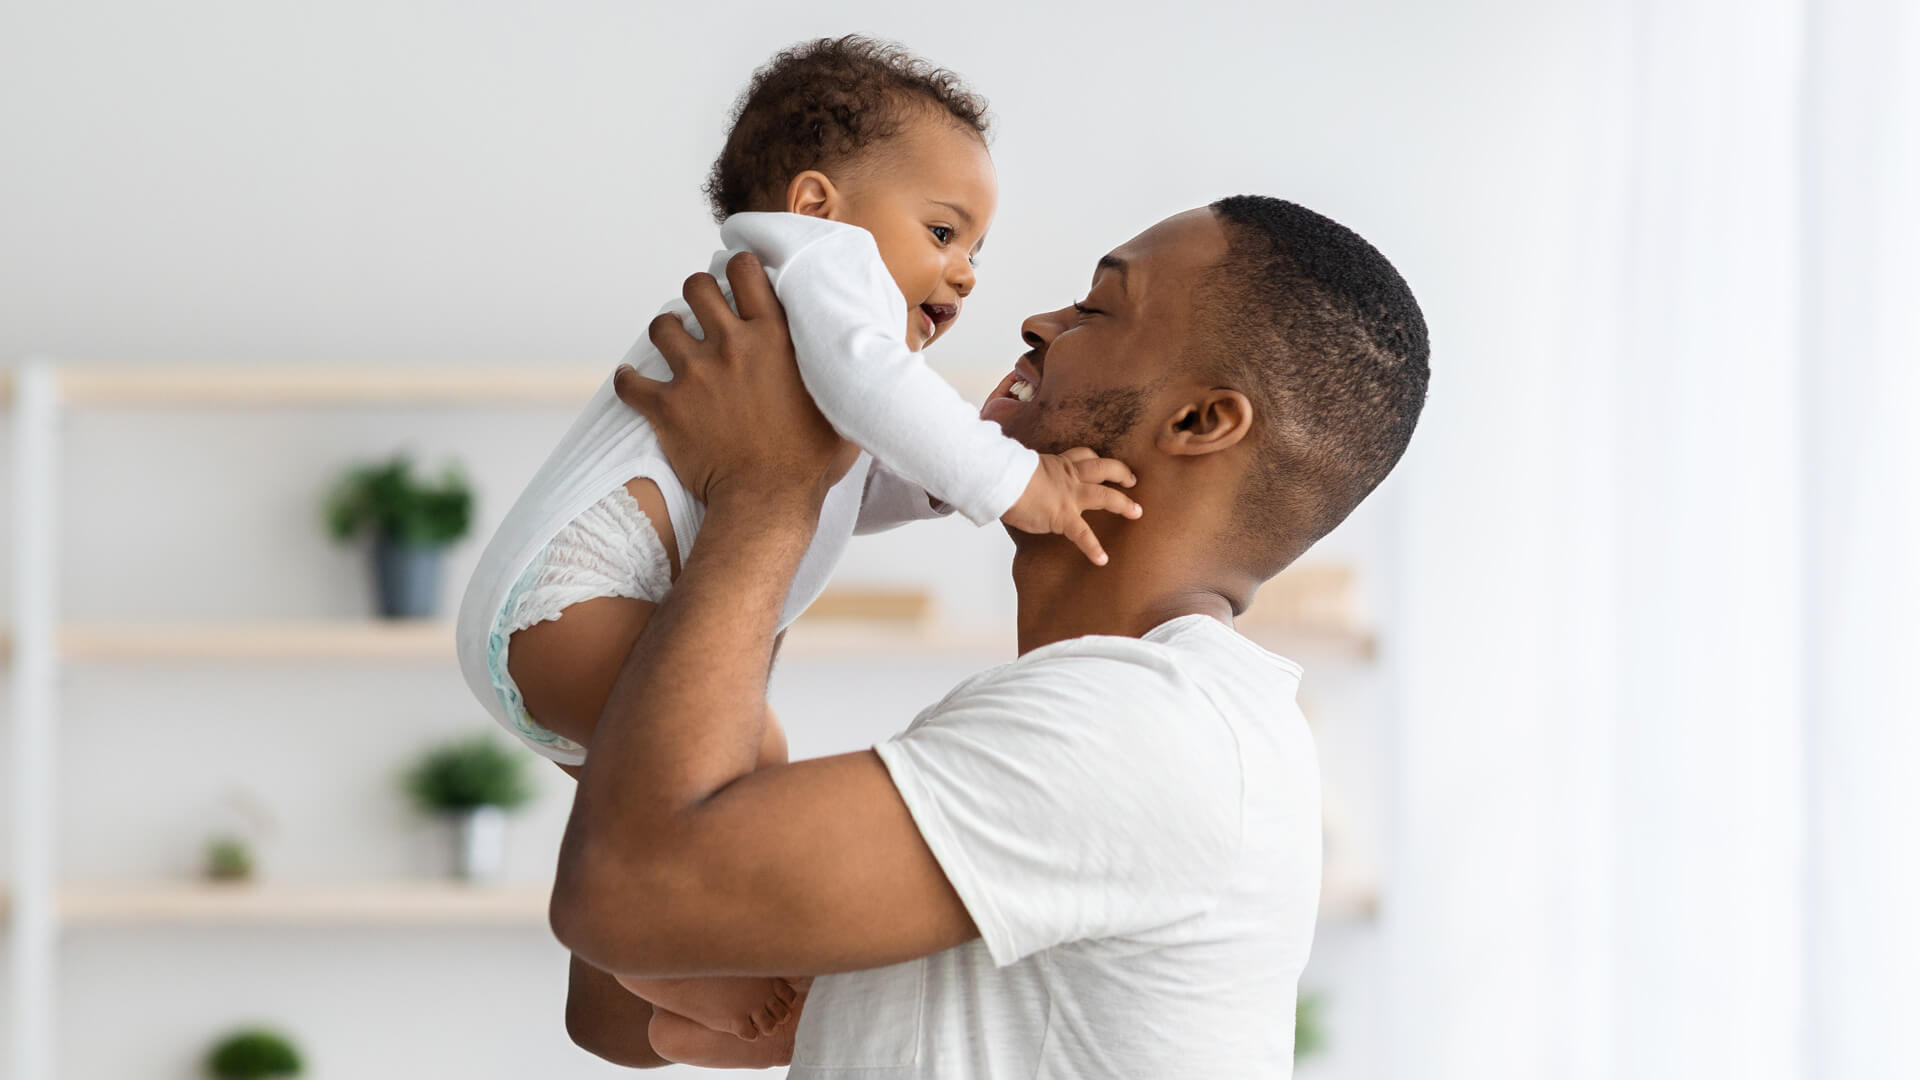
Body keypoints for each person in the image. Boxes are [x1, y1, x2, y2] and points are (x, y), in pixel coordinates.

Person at [550, 194, 1431, 1076]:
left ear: (1199, 423)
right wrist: (779, 496)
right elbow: (620, 1012)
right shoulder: (1098, 720)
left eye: (1095, 309)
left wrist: (769, 489)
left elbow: (627, 892)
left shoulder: (1142, 727)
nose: (1037, 322)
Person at [452, 36, 1138, 1057]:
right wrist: (1017, 485)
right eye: (946, 231)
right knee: (745, 769)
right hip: (577, 604)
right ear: (816, 205)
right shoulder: (817, 271)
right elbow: (874, 396)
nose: (965, 272)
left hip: (562, 628)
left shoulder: (816, 336)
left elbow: (842, 482)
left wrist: (963, 470)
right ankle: (692, 966)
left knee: (672, 803)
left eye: (975, 253)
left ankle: (667, 1000)